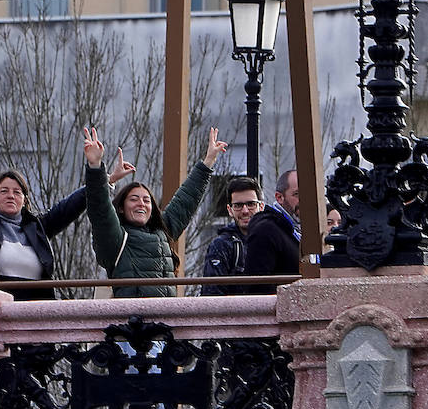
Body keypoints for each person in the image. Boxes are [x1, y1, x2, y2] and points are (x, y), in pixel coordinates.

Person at [0, 126, 133, 300]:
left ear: (25, 200)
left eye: (17, 192)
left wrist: (100, 173)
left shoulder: (37, 226)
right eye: (4, 191)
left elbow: (70, 206)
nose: (11, 196)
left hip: (35, 313)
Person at [83, 126, 227, 298]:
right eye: (134, 199)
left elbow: (186, 199)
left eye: (146, 200)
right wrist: (95, 167)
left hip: (166, 319)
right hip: (132, 322)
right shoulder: (115, 238)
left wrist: (208, 161)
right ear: (121, 207)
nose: (141, 204)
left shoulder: (163, 231)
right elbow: (100, 209)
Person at [201, 177, 262, 296]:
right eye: (238, 205)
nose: (245, 211)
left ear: (261, 206)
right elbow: (212, 296)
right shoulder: (221, 246)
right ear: (230, 210)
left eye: (251, 204)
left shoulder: (272, 242)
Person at [244, 167, 301, 293]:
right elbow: (257, 287)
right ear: (279, 197)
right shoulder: (265, 230)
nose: (304, 199)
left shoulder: (295, 229)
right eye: (297, 194)